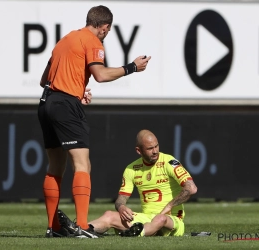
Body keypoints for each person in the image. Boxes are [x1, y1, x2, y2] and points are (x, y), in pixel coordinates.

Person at [37, 5, 151, 238]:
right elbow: (100, 75)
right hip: (65, 105)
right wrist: (132, 67)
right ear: (105, 27)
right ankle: (81, 226)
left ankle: (53, 227)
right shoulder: (92, 41)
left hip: (46, 102)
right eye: (107, 30)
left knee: (55, 167)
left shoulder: (65, 40)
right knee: (83, 165)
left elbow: (44, 80)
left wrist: (77, 91)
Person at [59, 129, 197, 237]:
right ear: (139, 150)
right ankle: (79, 229)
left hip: (171, 220)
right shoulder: (131, 169)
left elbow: (191, 188)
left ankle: (137, 233)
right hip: (146, 219)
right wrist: (121, 208)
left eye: (156, 146)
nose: (155, 151)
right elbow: (121, 200)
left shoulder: (169, 162)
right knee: (109, 215)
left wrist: (169, 206)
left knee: (160, 219)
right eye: (150, 148)